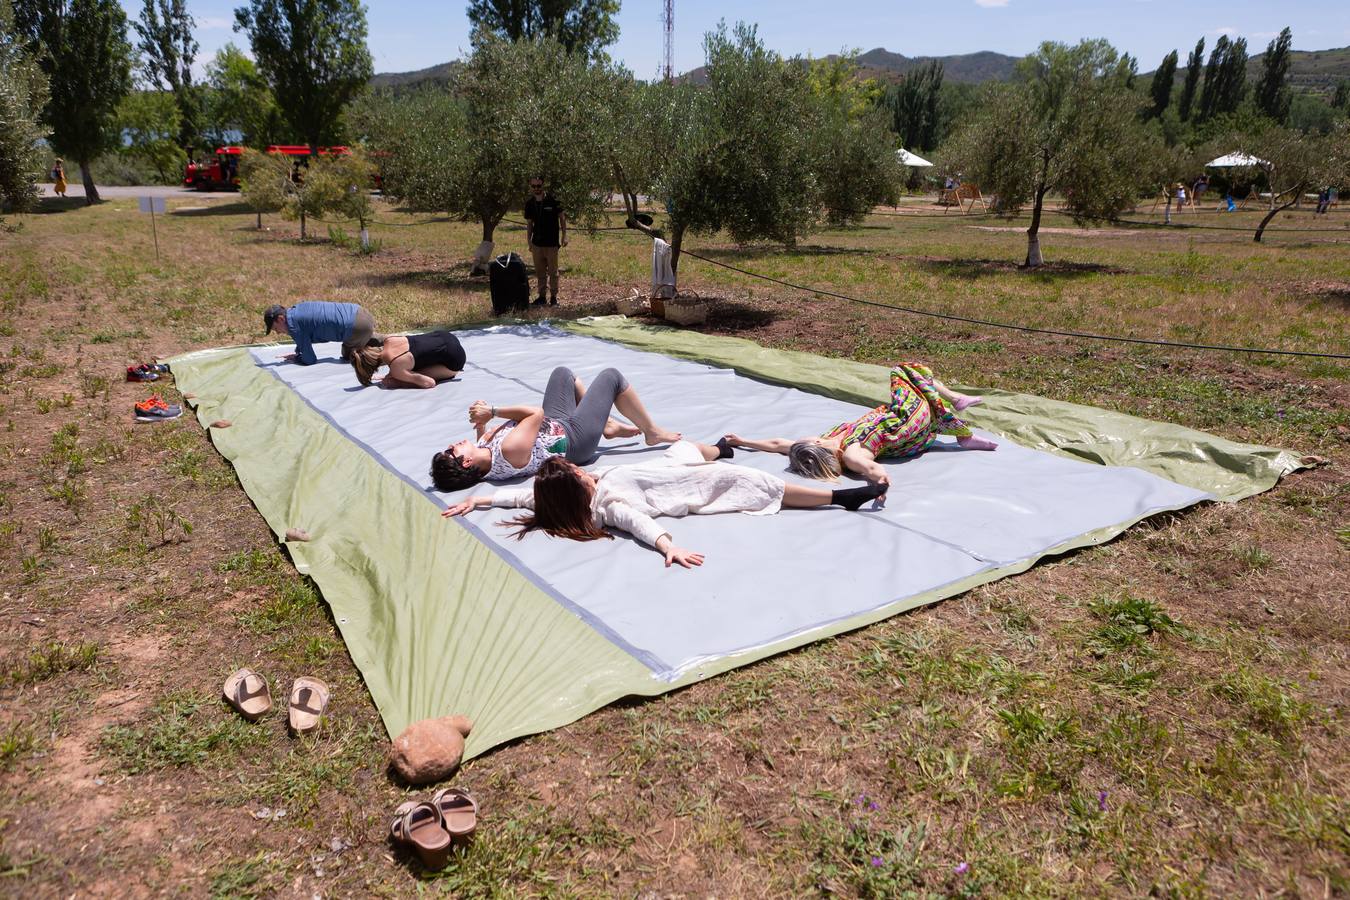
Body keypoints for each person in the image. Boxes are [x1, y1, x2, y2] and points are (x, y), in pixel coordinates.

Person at [441, 440, 888, 568]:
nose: (583, 470)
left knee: (689, 447)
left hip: (668, 465)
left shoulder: (580, 489)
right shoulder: (609, 502)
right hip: (691, 486)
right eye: (578, 474)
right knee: (756, 481)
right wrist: (667, 545)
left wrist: (480, 500)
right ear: (577, 488)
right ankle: (842, 498)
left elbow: (522, 494)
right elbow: (636, 522)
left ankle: (721, 446)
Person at [723, 363, 997, 489]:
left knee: (918, 379)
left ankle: (960, 423)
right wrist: (880, 482)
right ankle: (960, 421)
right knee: (904, 371)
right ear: (816, 446)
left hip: (895, 416)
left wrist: (743, 440)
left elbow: (777, 445)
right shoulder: (852, 455)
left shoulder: (827, 442)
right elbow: (871, 469)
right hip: (908, 425)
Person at [430, 366, 681, 491]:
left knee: (563, 374)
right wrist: (493, 411)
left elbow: (485, 443)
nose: (452, 445)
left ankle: (607, 425)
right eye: (451, 451)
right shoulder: (509, 450)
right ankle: (651, 432)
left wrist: (482, 425)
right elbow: (535, 414)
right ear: (465, 462)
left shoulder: (484, 458)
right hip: (574, 440)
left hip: (554, 425)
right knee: (612, 377)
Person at [263, 301, 382, 365]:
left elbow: (309, 359)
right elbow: (305, 336)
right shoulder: (296, 310)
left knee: (350, 357)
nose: (278, 333)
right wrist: (298, 352)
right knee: (365, 338)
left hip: (357, 327)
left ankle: (388, 356)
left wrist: (297, 358)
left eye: (276, 329)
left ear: (280, 319)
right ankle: (393, 340)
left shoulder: (293, 326)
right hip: (360, 312)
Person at [349, 331, 465, 389]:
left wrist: (398, 381)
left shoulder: (396, 368)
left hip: (456, 360)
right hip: (446, 336)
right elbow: (403, 357)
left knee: (415, 374)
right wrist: (395, 374)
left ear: (373, 368)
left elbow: (429, 383)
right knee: (414, 360)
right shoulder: (389, 339)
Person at [523, 176, 566, 307]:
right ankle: (541, 297)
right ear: (531, 187)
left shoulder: (554, 200)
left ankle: (554, 298)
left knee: (553, 272)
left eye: (539, 186)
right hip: (537, 243)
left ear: (543, 185)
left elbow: (562, 219)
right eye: (534, 186)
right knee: (540, 272)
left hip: (552, 243)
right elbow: (530, 224)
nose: (536, 189)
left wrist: (564, 235)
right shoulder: (529, 203)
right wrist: (529, 241)